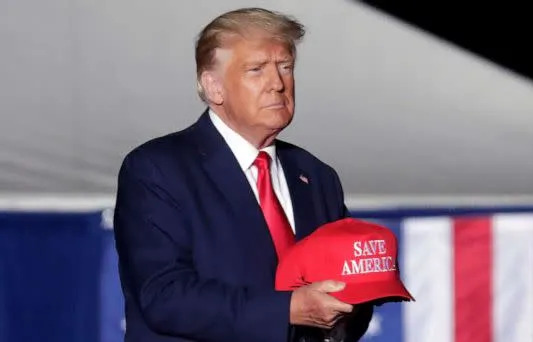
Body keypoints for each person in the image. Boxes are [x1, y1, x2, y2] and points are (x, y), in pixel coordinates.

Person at [113, 7, 372, 342]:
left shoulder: (316, 176)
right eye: (256, 70)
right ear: (214, 87)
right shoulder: (157, 169)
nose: (277, 84)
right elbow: (165, 296)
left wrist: (350, 306)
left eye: (285, 67)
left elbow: (342, 295)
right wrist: (288, 310)